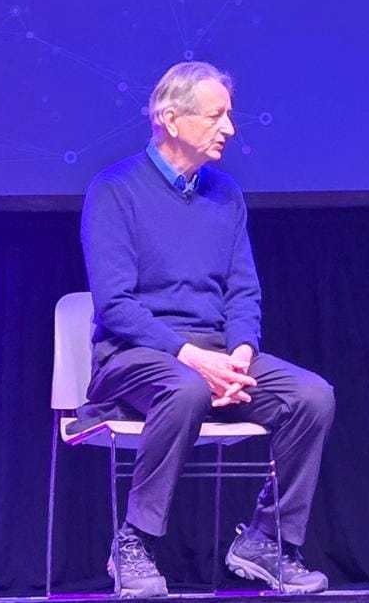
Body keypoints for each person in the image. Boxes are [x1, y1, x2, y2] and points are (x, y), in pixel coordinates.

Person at [81, 61, 335, 596]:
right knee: (186, 385)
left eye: (230, 115)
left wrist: (241, 351)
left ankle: (268, 538)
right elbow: (117, 305)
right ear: (171, 120)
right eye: (217, 116)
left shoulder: (226, 194)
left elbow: (243, 290)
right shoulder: (115, 190)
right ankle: (134, 542)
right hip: (132, 358)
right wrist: (193, 357)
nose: (230, 129)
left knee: (311, 395)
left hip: (218, 357)